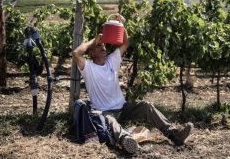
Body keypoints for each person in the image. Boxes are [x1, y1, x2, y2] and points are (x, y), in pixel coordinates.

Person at [72, 14, 194, 154]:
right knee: (111, 121)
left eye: (104, 44)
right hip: (105, 111)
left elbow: (125, 43)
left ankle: (174, 134)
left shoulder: (112, 61)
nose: (103, 46)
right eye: (99, 46)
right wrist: (95, 40)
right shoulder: (88, 68)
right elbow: (76, 53)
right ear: (92, 53)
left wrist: (121, 25)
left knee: (146, 106)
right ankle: (126, 141)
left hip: (123, 108)